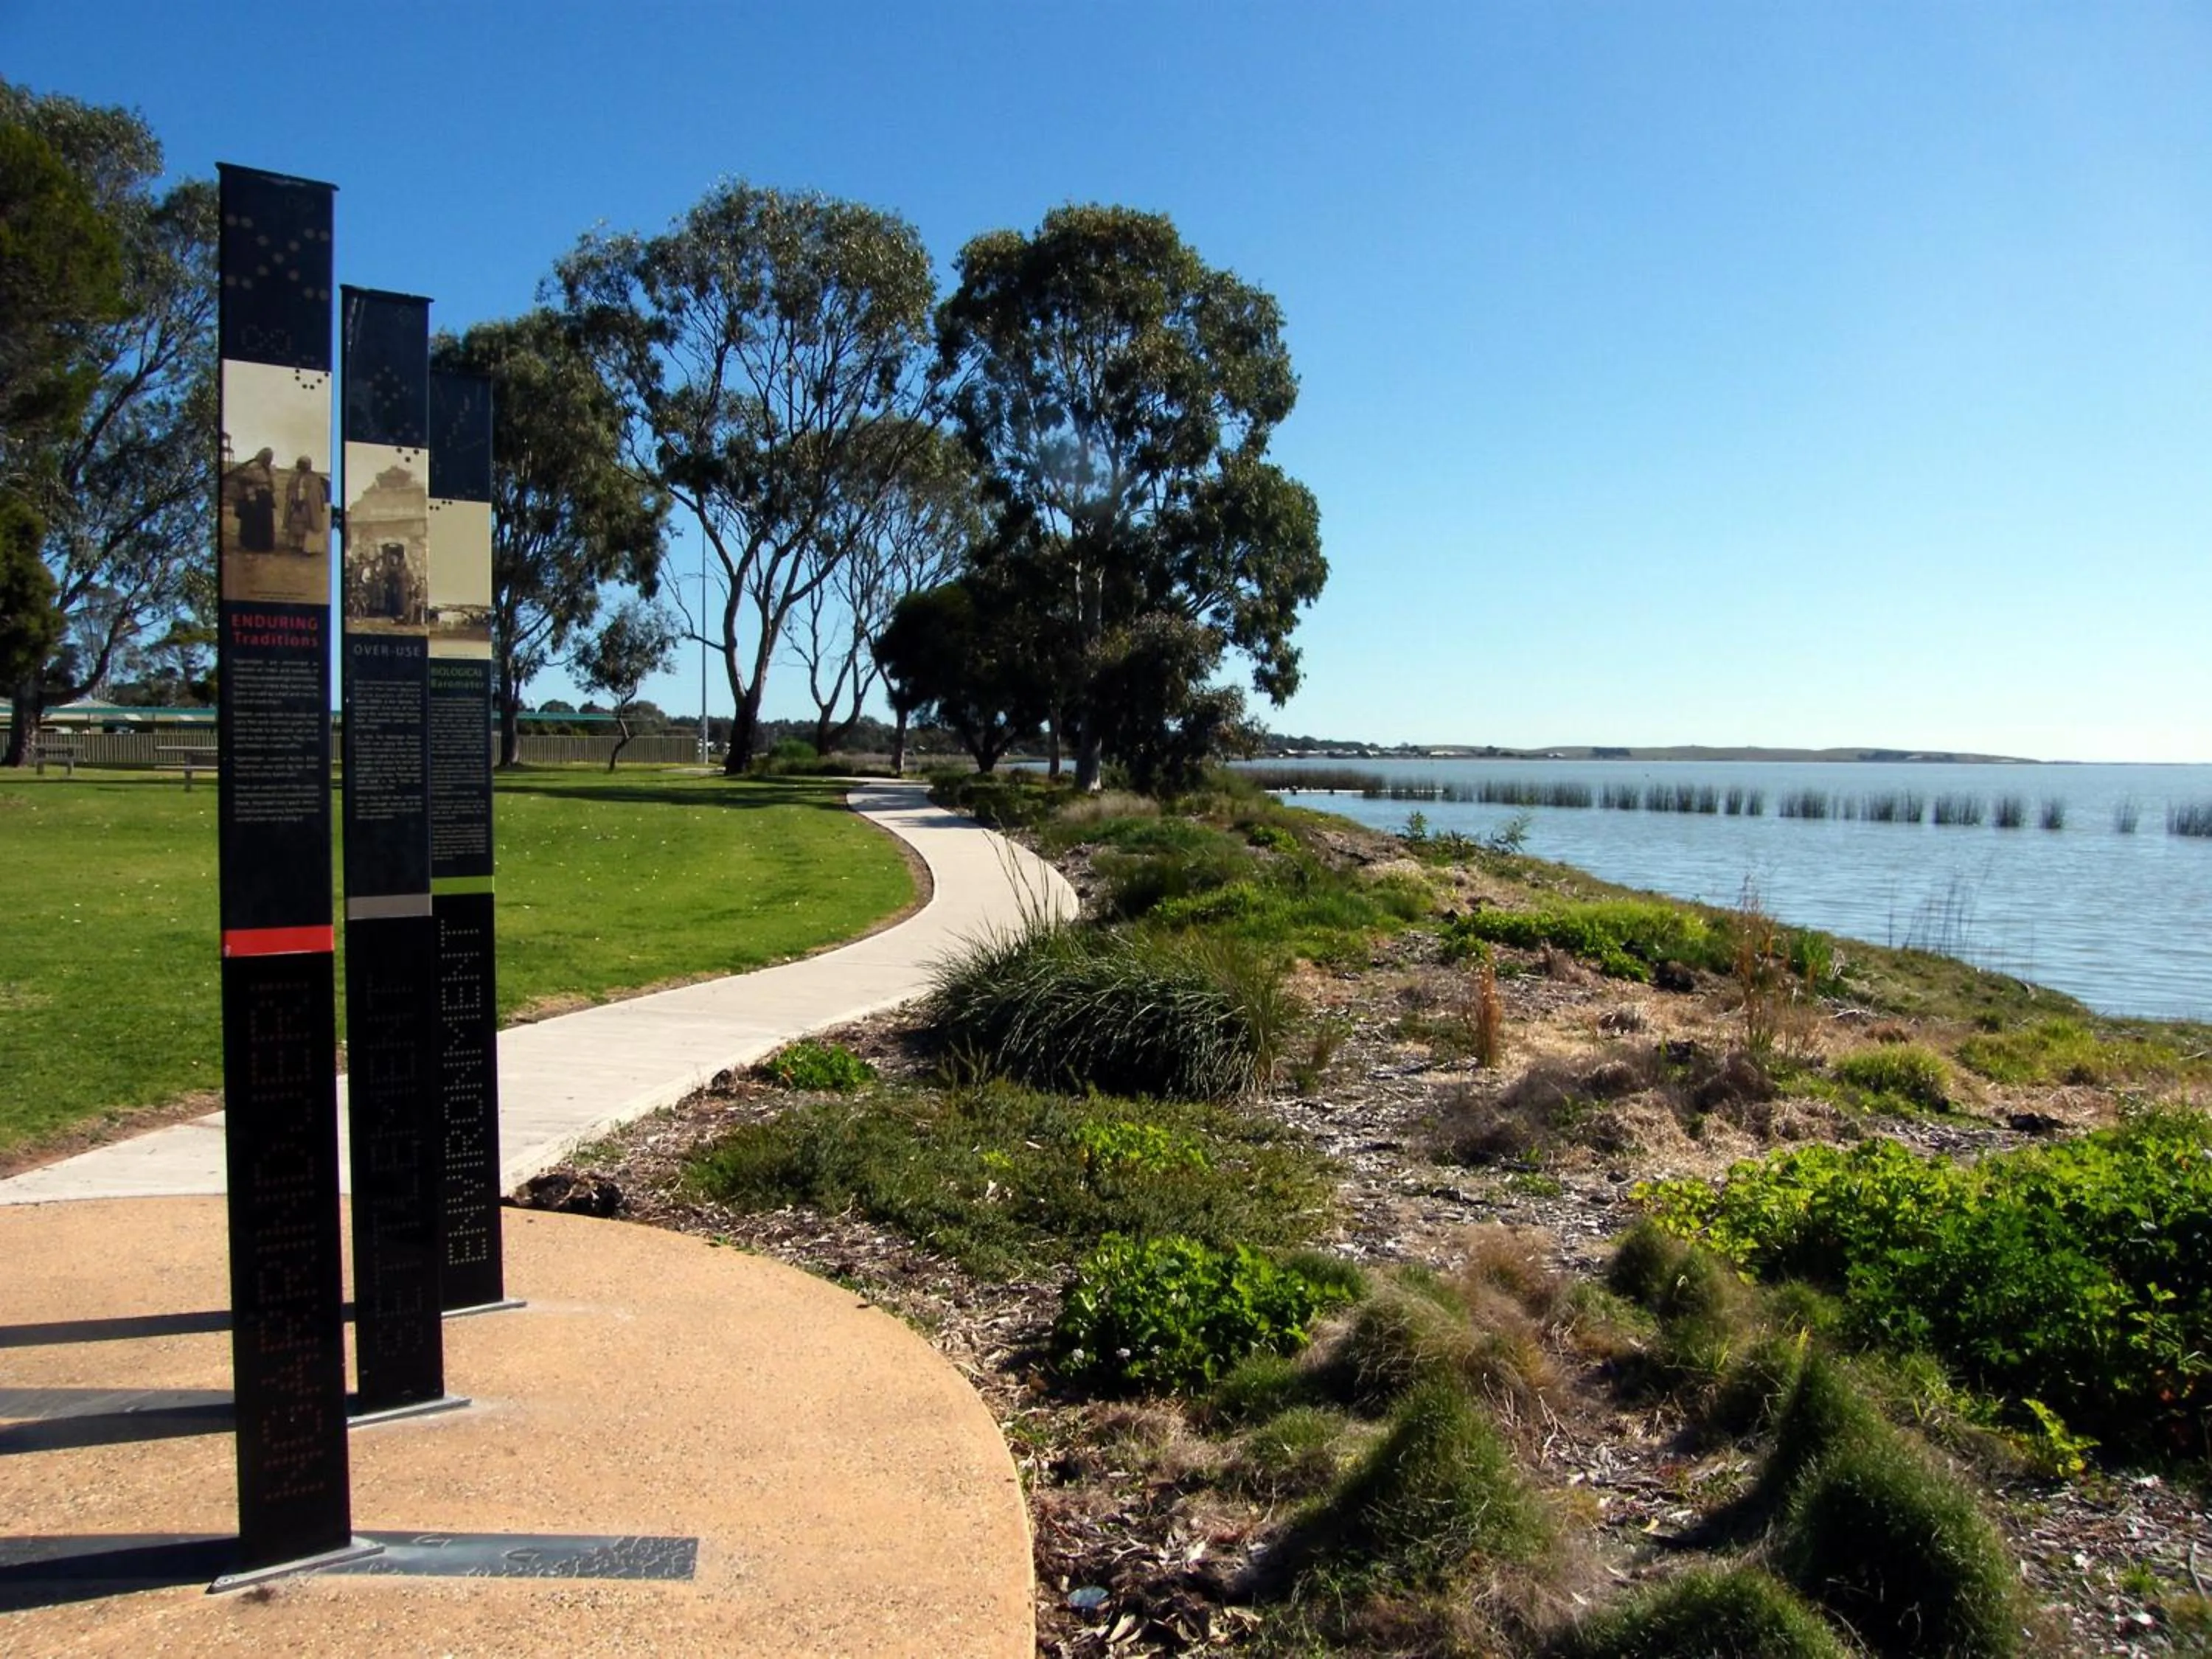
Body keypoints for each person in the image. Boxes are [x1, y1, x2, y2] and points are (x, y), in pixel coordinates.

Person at [227, 448, 277, 552]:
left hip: (266, 497)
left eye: (271, 458)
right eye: (267, 457)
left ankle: (265, 546)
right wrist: (252, 498)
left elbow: (273, 485)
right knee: (252, 522)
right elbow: (248, 484)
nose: (269, 460)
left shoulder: (271, 469)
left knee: (266, 522)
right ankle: (251, 545)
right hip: (255, 497)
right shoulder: (253, 468)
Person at [282, 456, 327, 553]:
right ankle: (296, 545)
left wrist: (318, 504)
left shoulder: (314, 477)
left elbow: (319, 493)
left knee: (310, 525)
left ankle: (309, 548)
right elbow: (290, 490)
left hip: (310, 505)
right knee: (296, 524)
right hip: (296, 503)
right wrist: (294, 500)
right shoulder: (294, 477)